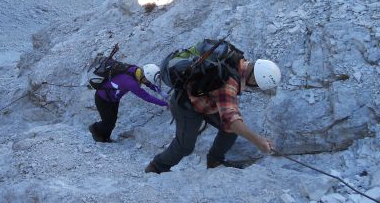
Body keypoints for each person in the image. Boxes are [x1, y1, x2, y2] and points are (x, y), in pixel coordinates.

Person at [144, 58, 281, 173]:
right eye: (256, 86)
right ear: (254, 79)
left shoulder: (239, 62)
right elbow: (231, 119)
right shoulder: (229, 83)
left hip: (207, 102)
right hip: (186, 106)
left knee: (231, 131)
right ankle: (156, 167)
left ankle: (215, 161)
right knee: (185, 146)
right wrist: (258, 141)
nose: (254, 88)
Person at [89, 63, 168, 143]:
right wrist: (166, 104)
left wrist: (161, 92)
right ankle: (94, 128)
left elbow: (148, 84)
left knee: (112, 120)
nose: (147, 82)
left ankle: (105, 138)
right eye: (147, 79)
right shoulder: (131, 83)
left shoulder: (137, 71)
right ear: (144, 76)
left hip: (113, 98)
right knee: (108, 121)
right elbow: (147, 97)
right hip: (102, 98)